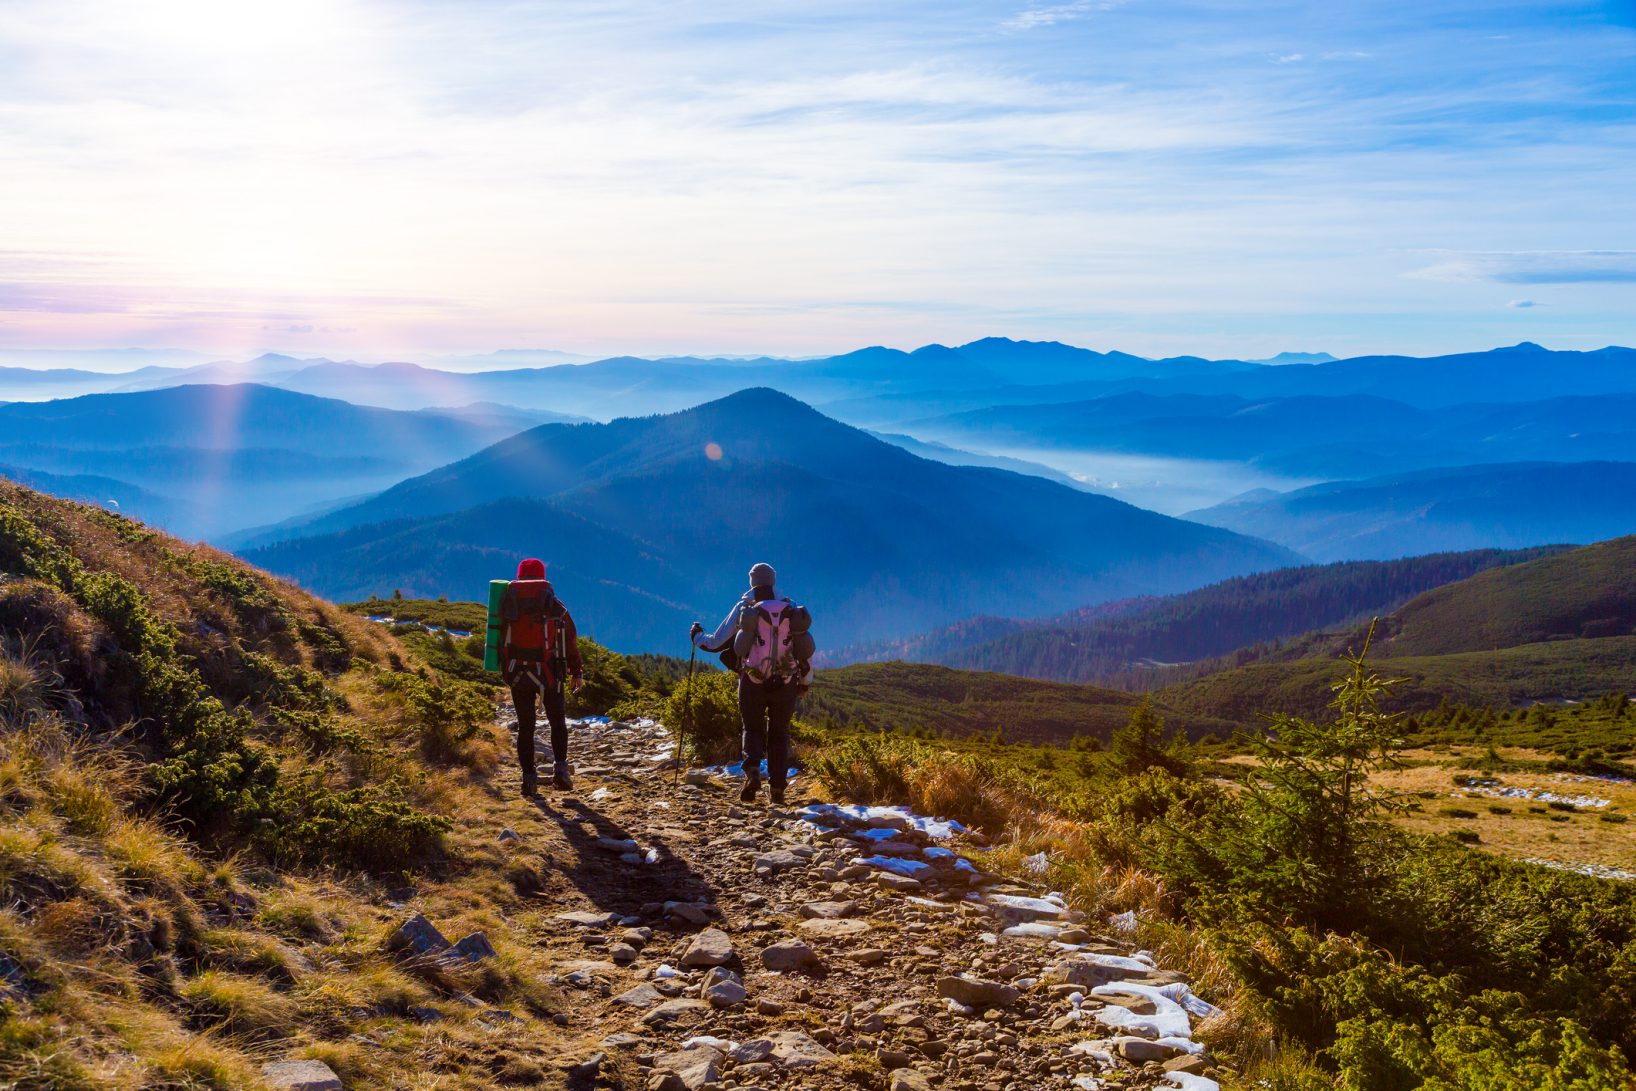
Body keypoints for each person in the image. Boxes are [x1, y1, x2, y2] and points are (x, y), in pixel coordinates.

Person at [691, 562, 813, 805]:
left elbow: (716, 642)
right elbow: (805, 651)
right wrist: (805, 681)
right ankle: (777, 789)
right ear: (773, 581)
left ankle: (753, 771)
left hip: (752, 679)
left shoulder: (745, 607)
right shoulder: (791, 609)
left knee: (752, 728)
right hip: (786, 680)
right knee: (779, 734)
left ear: (752, 582)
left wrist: (697, 637)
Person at [500, 558, 583, 795]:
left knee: (526, 726)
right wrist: (576, 672)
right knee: (557, 721)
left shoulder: (508, 602)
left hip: (517, 672)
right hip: (550, 673)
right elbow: (570, 639)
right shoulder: (552, 603)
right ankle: (561, 770)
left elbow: (497, 637)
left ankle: (528, 779)